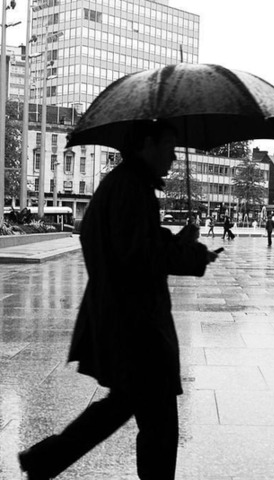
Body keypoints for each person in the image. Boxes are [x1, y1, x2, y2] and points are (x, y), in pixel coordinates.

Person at [17, 120, 218, 480]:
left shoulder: (127, 184)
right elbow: (139, 257)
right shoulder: (130, 187)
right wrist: (190, 255)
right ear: (147, 144)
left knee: (123, 407)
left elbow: (139, 243)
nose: (173, 160)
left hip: (126, 319)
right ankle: (44, 460)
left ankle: (44, 460)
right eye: (169, 149)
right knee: (159, 425)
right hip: (136, 325)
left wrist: (179, 241)